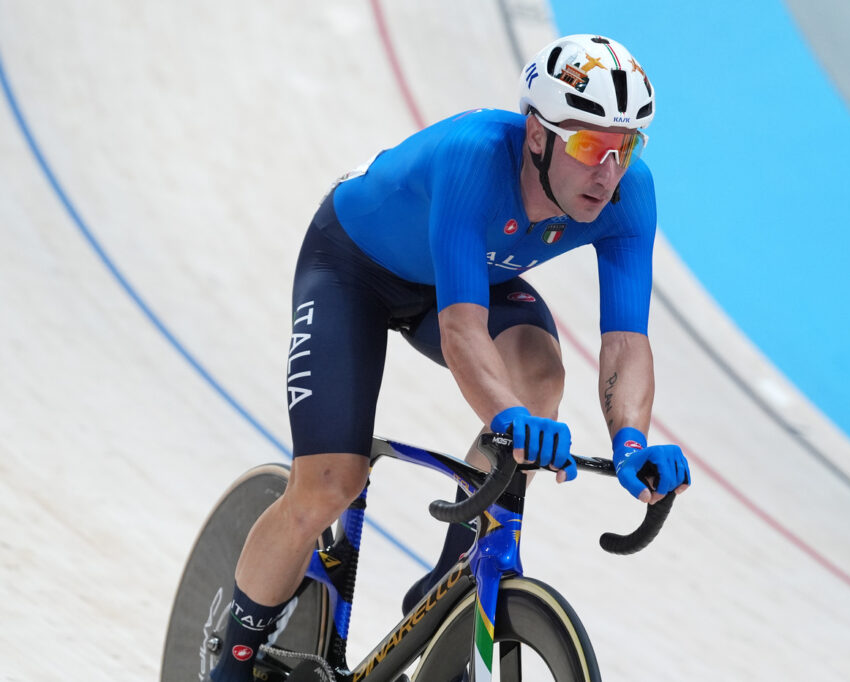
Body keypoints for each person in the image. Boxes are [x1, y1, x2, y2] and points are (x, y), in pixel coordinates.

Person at [209, 34, 691, 681]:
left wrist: (631, 442)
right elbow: (463, 330)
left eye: (625, 148)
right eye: (588, 146)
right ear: (538, 134)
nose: (608, 172)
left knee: (540, 376)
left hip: (466, 276)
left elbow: (627, 341)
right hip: (353, 270)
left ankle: (448, 584)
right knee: (327, 486)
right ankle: (233, 658)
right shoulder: (475, 157)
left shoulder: (631, 192)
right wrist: (507, 418)